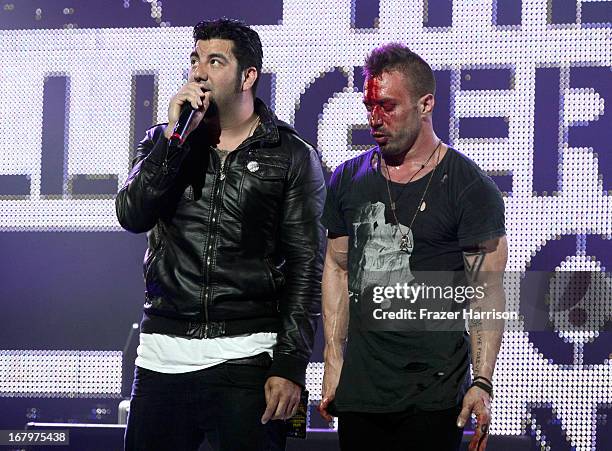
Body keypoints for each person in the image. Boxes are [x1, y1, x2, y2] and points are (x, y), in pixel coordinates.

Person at [116, 19, 325, 451]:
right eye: (195, 60)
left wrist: (290, 364)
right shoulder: (163, 140)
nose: (199, 73)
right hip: (161, 358)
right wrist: (173, 143)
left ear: (249, 76)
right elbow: (132, 214)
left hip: (247, 359)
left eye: (215, 61)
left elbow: (307, 265)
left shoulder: (290, 155)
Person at [318, 43, 507, 451]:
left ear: (425, 104)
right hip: (363, 392)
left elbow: (486, 291)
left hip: (434, 395)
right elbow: (337, 268)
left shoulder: (469, 186)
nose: (374, 118)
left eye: (387, 106)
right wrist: (333, 361)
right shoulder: (348, 178)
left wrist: (482, 381)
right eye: (370, 105)